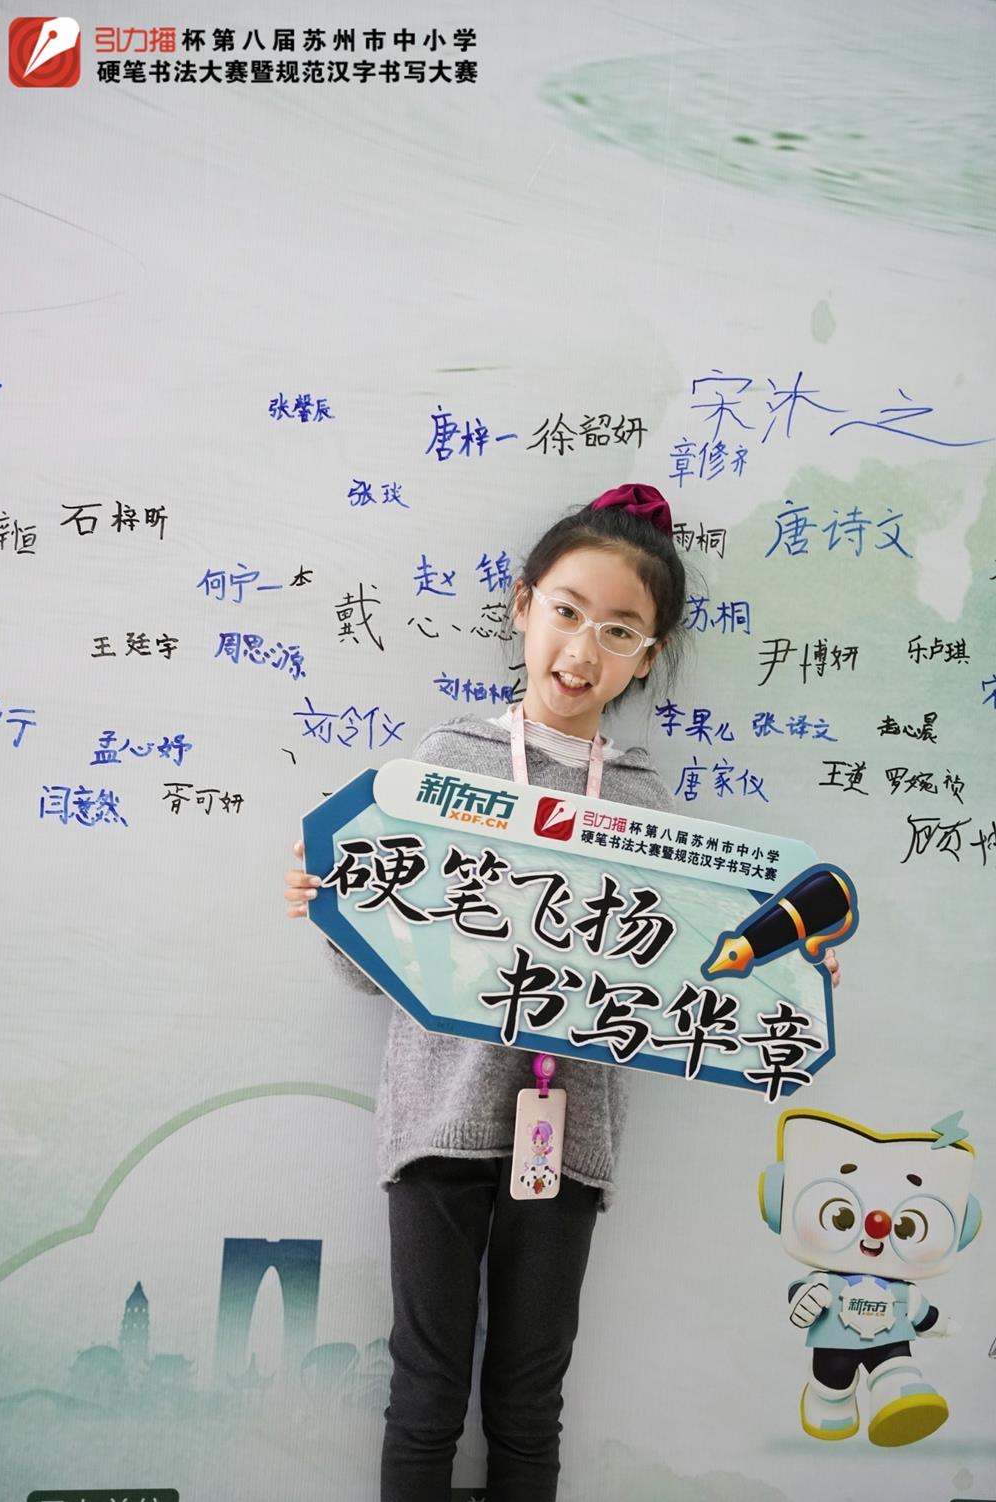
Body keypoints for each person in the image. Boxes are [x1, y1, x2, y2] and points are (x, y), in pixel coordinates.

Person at [284, 483, 840, 1502]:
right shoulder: (442, 766)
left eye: (619, 629)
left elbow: (692, 975)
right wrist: (335, 900)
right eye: (567, 611)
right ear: (523, 606)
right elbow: (366, 971)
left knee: (528, 1401)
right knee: (424, 1393)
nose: (583, 649)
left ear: (648, 655)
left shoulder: (645, 802)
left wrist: (786, 977)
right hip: (438, 1121)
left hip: (570, 1137)